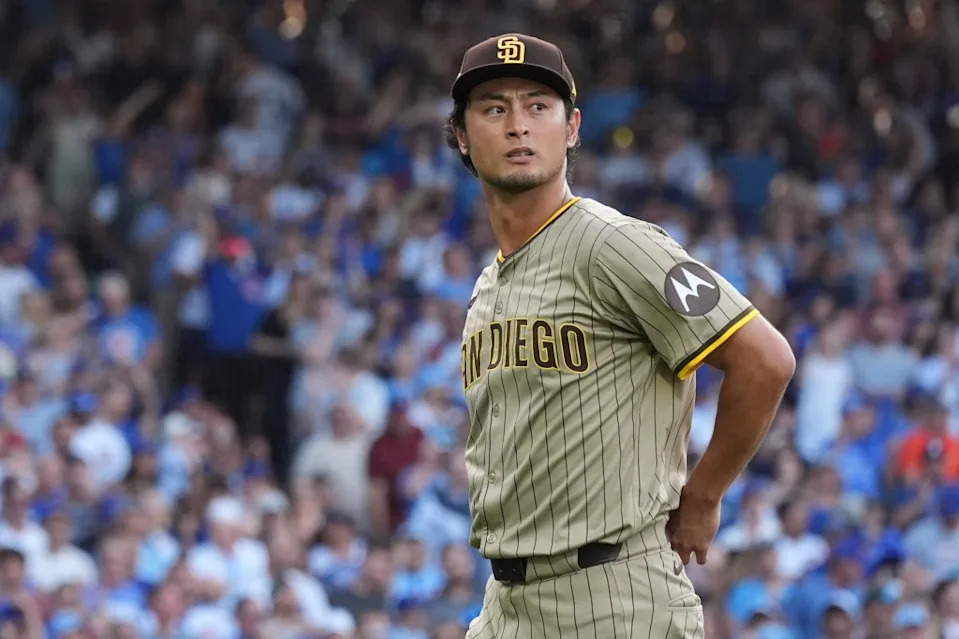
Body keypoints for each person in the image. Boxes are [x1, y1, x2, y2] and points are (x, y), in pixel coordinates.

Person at [445, 33, 796, 637]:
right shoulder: (488, 284)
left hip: (613, 596)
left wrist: (705, 495)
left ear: (572, 127)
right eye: (494, 108)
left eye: (538, 106)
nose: (518, 125)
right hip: (507, 603)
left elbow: (765, 360)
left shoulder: (615, 244)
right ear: (461, 135)